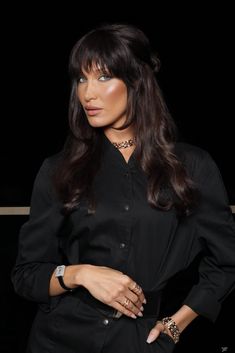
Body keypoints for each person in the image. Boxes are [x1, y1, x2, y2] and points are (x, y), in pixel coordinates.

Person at [11, 23, 235, 353]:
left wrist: (175, 325)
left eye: (103, 77)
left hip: (141, 342)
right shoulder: (58, 169)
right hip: (58, 340)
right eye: (81, 79)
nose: (87, 93)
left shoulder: (191, 167)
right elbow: (26, 275)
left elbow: (226, 262)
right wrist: (79, 274)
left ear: (136, 82)